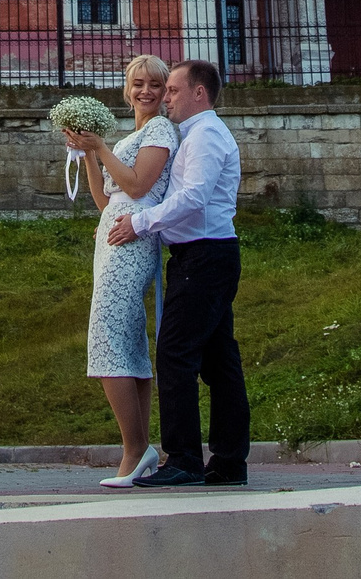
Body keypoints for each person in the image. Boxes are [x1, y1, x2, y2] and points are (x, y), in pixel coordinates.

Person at [108, 57, 248, 488]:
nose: (165, 97)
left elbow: (195, 197)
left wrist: (140, 223)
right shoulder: (193, 134)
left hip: (204, 257)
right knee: (220, 362)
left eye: (172, 90)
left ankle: (184, 458)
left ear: (198, 93)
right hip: (205, 256)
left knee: (174, 355)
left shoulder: (205, 135)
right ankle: (228, 461)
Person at [63, 53, 178, 488]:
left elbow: (136, 187)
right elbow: (104, 198)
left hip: (132, 239)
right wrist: (88, 153)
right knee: (128, 338)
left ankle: (135, 448)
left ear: (165, 91)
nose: (145, 91)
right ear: (126, 89)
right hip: (113, 235)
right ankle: (139, 449)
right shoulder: (133, 133)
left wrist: (101, 149)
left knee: (107, 335)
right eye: (138, 83)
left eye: (154, 84)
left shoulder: (162, 129)